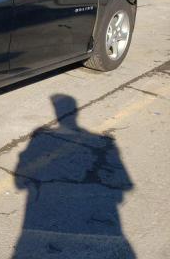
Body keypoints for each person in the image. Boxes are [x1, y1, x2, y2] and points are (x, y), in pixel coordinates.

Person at [12, 94, 134, 258]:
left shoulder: (40, 138)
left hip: (41, 219)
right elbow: (125, 185)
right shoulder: (103, 142)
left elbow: (20, 182)